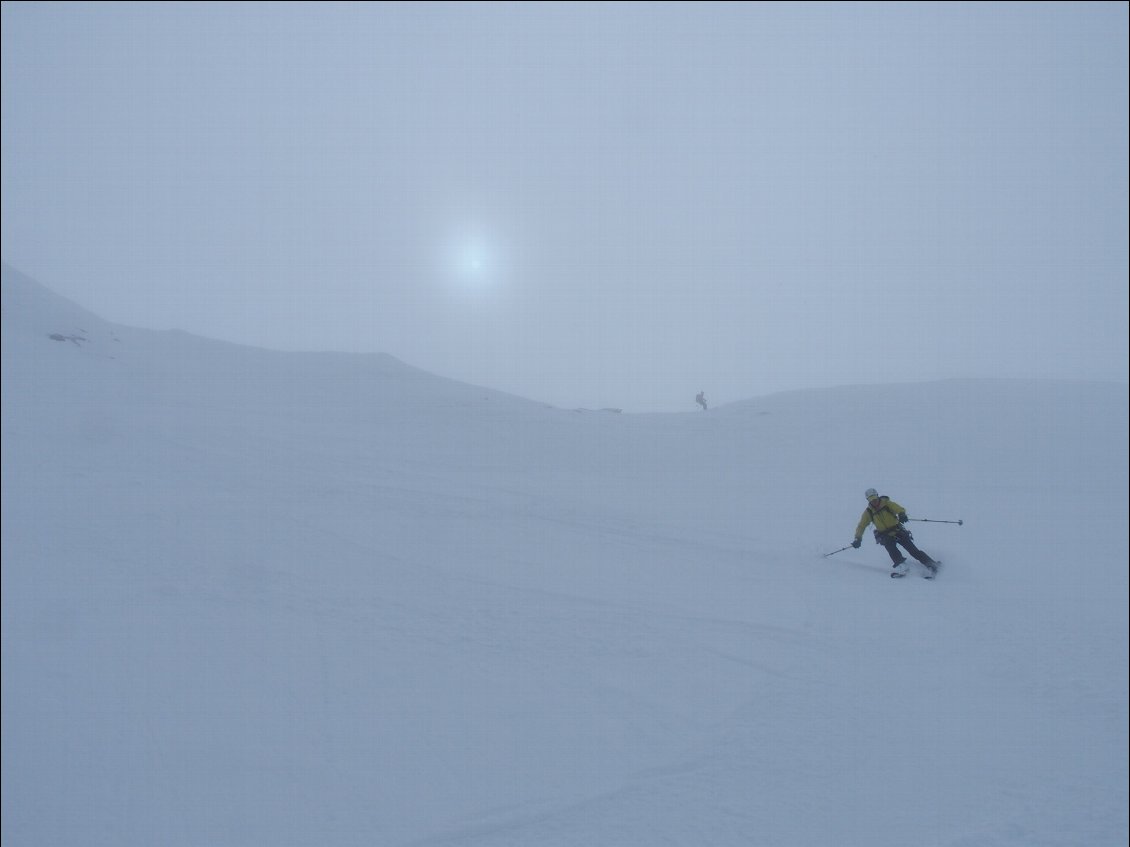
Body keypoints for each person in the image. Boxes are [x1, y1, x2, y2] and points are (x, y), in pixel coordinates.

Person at [851, 488, 938, 577]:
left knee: (913, 550)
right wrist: (858, 538)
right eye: (871, 500)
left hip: (898, 530)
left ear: (877, 496)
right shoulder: (868, 512)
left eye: (875, 499)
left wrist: (902, 514)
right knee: (891, 549)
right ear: (868, 500)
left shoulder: (887, 503)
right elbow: (861, 526)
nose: (874, 501)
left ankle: (931, 564)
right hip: (885, 535)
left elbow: (898, 508)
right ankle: (902, 566)